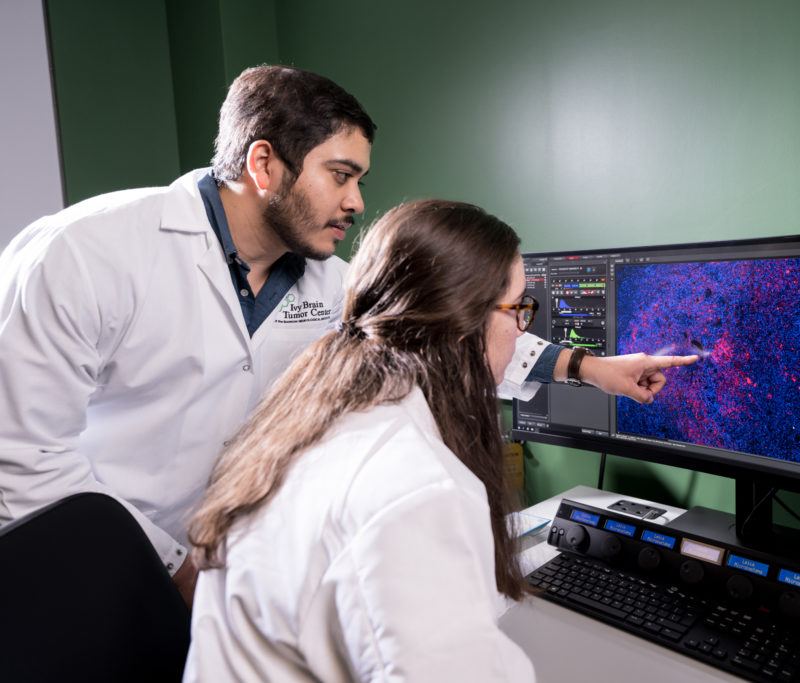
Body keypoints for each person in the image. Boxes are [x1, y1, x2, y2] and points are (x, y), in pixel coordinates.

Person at [0, 64, 697, 607]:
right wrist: (175, 567)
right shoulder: (88, 254)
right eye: (341, 175)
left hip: (238, 568)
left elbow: (446, 339)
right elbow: (20, 457)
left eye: (360, 179)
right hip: (102, 576)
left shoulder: (323, 281)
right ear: (264, 164)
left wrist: (590, 368)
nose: (358, 202)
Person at [184, 200, 700, 681]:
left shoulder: (312, 407)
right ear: (459, 323)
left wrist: (593, 368)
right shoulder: (414, 488)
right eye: (519, 310)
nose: (523, 332)